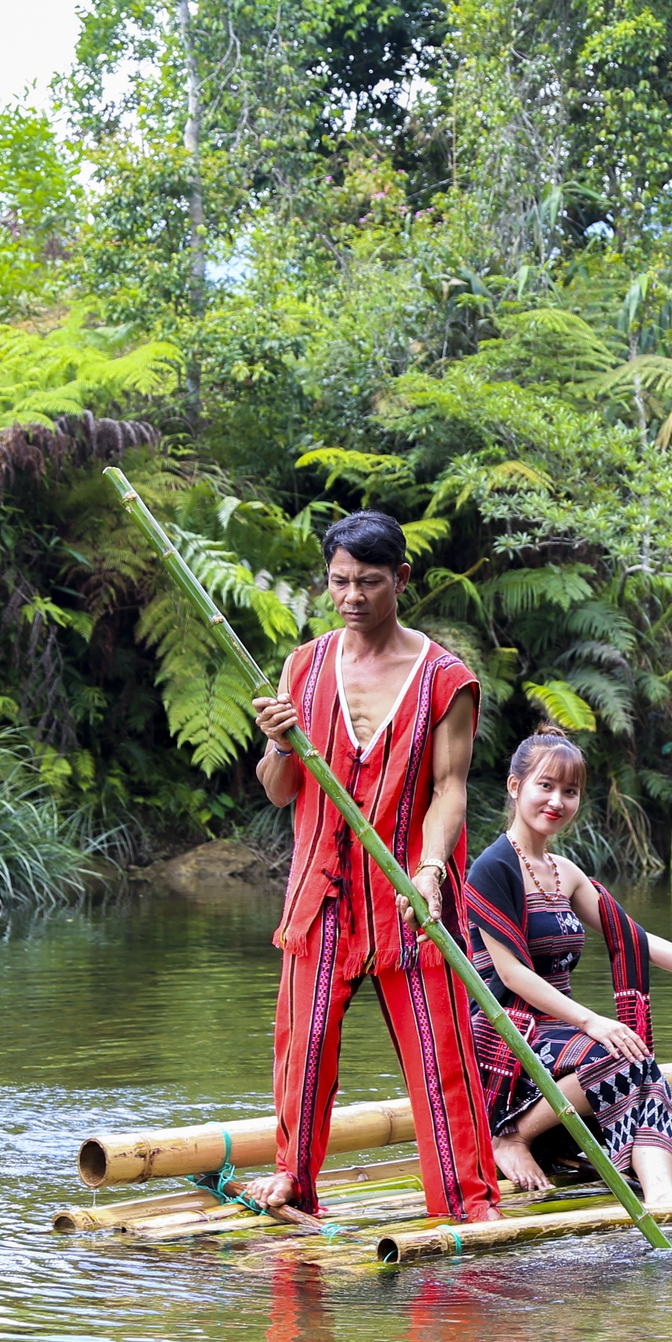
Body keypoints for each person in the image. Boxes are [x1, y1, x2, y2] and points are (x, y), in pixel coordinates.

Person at [241, 509, 503, 1223]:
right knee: (306, 1044)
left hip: (408, 894)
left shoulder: (445, 679)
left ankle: (467, 1203)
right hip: (320, 893)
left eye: (369, 582)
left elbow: (450, 790)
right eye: (339, 582)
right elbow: (279, 789)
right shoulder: (304, 665)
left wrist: (428, 871)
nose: (353, 596)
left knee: (439, 1052)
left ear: (402, 580)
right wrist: (281, 746)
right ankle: (294, 1178)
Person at [463, 725, 672, 1208]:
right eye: (545, 786)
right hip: (504, 1030)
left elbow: (635, 939)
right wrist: (591, 1019)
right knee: (615, 1051)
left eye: (570, 791)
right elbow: (511, 975)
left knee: (637, 1055)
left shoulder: (565, 872)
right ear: (515, 786)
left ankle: (663, 1199)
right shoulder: (492, 867)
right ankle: (510, 1135)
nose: (557, 801)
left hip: (557, 1028)